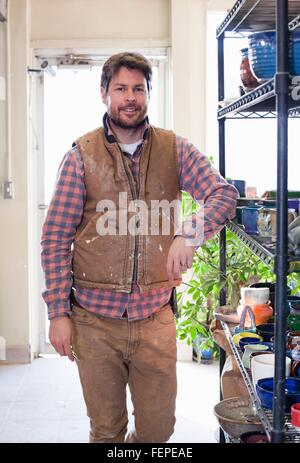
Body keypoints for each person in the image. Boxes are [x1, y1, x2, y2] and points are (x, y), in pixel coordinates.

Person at [41, 52, 238, 443]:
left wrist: (190, 232)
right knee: (107, 431)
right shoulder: (81, 156)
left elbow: (223, 194)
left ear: (149, 93)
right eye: (120, 89)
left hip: (155, 321)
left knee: (157, 431)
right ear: (104, 94)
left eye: (138, 88)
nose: (130, 97)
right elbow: (55, 238)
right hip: (95, 324)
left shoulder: (174, 149)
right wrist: (57, 313)